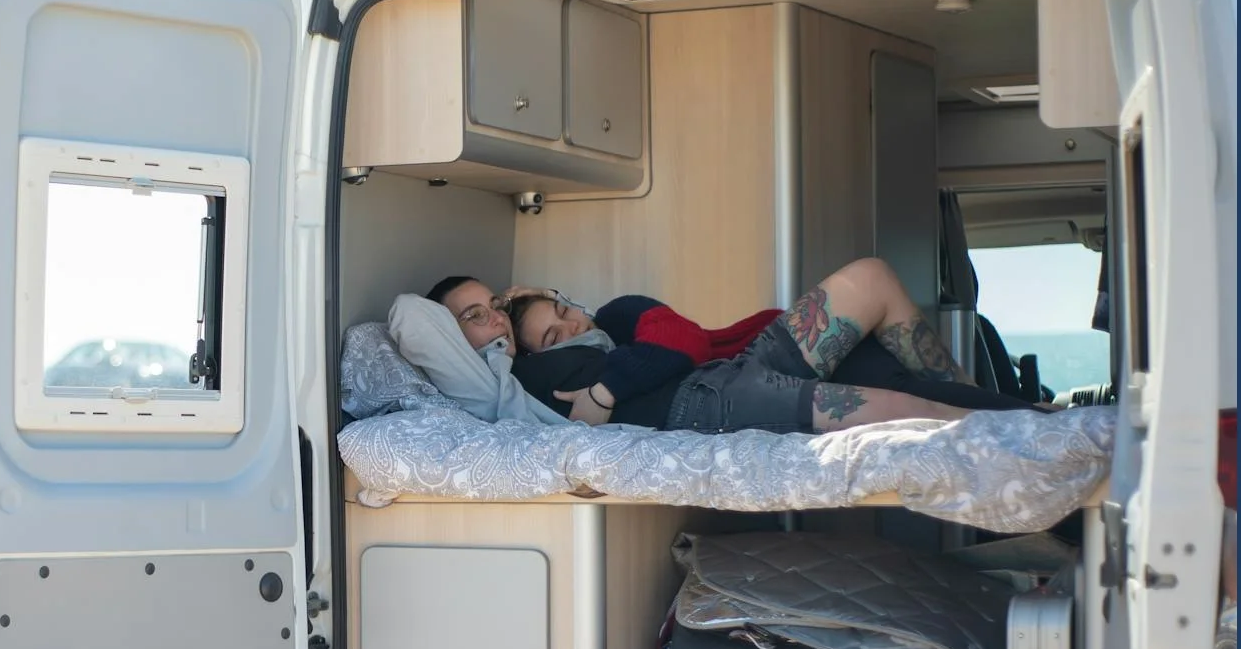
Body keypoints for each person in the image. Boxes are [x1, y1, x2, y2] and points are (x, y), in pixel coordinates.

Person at [426, 259, 1044, 435]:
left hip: (748, 360)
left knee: (873, 279)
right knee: (911, 410)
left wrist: (608, 386)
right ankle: (1043, 429)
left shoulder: (617, 315)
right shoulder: (518, 381)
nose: (571, 328)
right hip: (721, 392)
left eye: (565, 312)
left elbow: (683, 343)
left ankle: (1013, 412)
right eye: (474, 317)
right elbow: (415, 323)